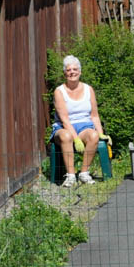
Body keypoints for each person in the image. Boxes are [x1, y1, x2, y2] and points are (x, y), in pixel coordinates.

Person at [51, 55, 105, 187]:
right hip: (64, 128)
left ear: (80, 72)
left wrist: (101, 133)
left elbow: (94, 116)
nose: (72, 72)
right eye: (68, 70)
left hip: (84, 127)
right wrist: (76, 139)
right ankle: (70, 176)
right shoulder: (59, 91)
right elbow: (64, 119)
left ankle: (84, 173)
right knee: (66, 136)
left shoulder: (88, 89)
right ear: (65, 73)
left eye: (75, 69)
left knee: (93, 135)